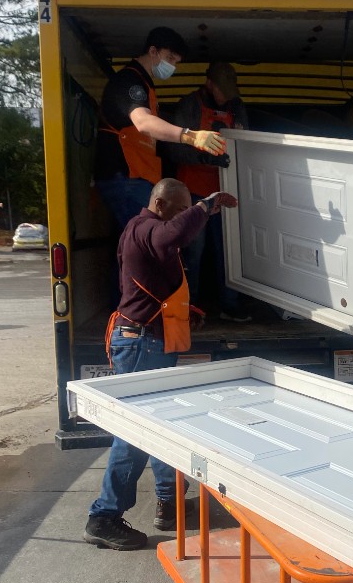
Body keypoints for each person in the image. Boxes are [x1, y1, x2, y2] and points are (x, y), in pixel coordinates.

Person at [84, 178, 238, 551]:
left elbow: (156, 279)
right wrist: (205, 206)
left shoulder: (143, 231)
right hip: (141, 345)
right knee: (136, 434)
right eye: (181, 210)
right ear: (160, 203)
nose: (185, 217)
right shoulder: (146, 228)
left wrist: (188, 310)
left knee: (162, 426)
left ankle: (169, 503)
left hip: (148, 340)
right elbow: (170, 237)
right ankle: (104, 517)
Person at [94, 27, 228, 230]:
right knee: (146, 242)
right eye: (170, 58)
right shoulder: (129, 82)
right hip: (126, 176)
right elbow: (144, 122)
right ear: (153, 51)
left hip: (136, 176)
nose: (172, 65)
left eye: (176, 62)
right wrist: (190, 136)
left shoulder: (144, 84)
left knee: (140, 244)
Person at [173, 62, 251, 322]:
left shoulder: (236, 106)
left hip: (224, 193)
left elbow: (246, 143)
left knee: (228, 252)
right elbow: (172, 148)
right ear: (209, 84)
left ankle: (230, 305)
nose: (226, 97)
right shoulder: (189, 105)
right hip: (193, 193)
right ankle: (189, 308)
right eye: (221, 90)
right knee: (194, 253)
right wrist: (206, 159)